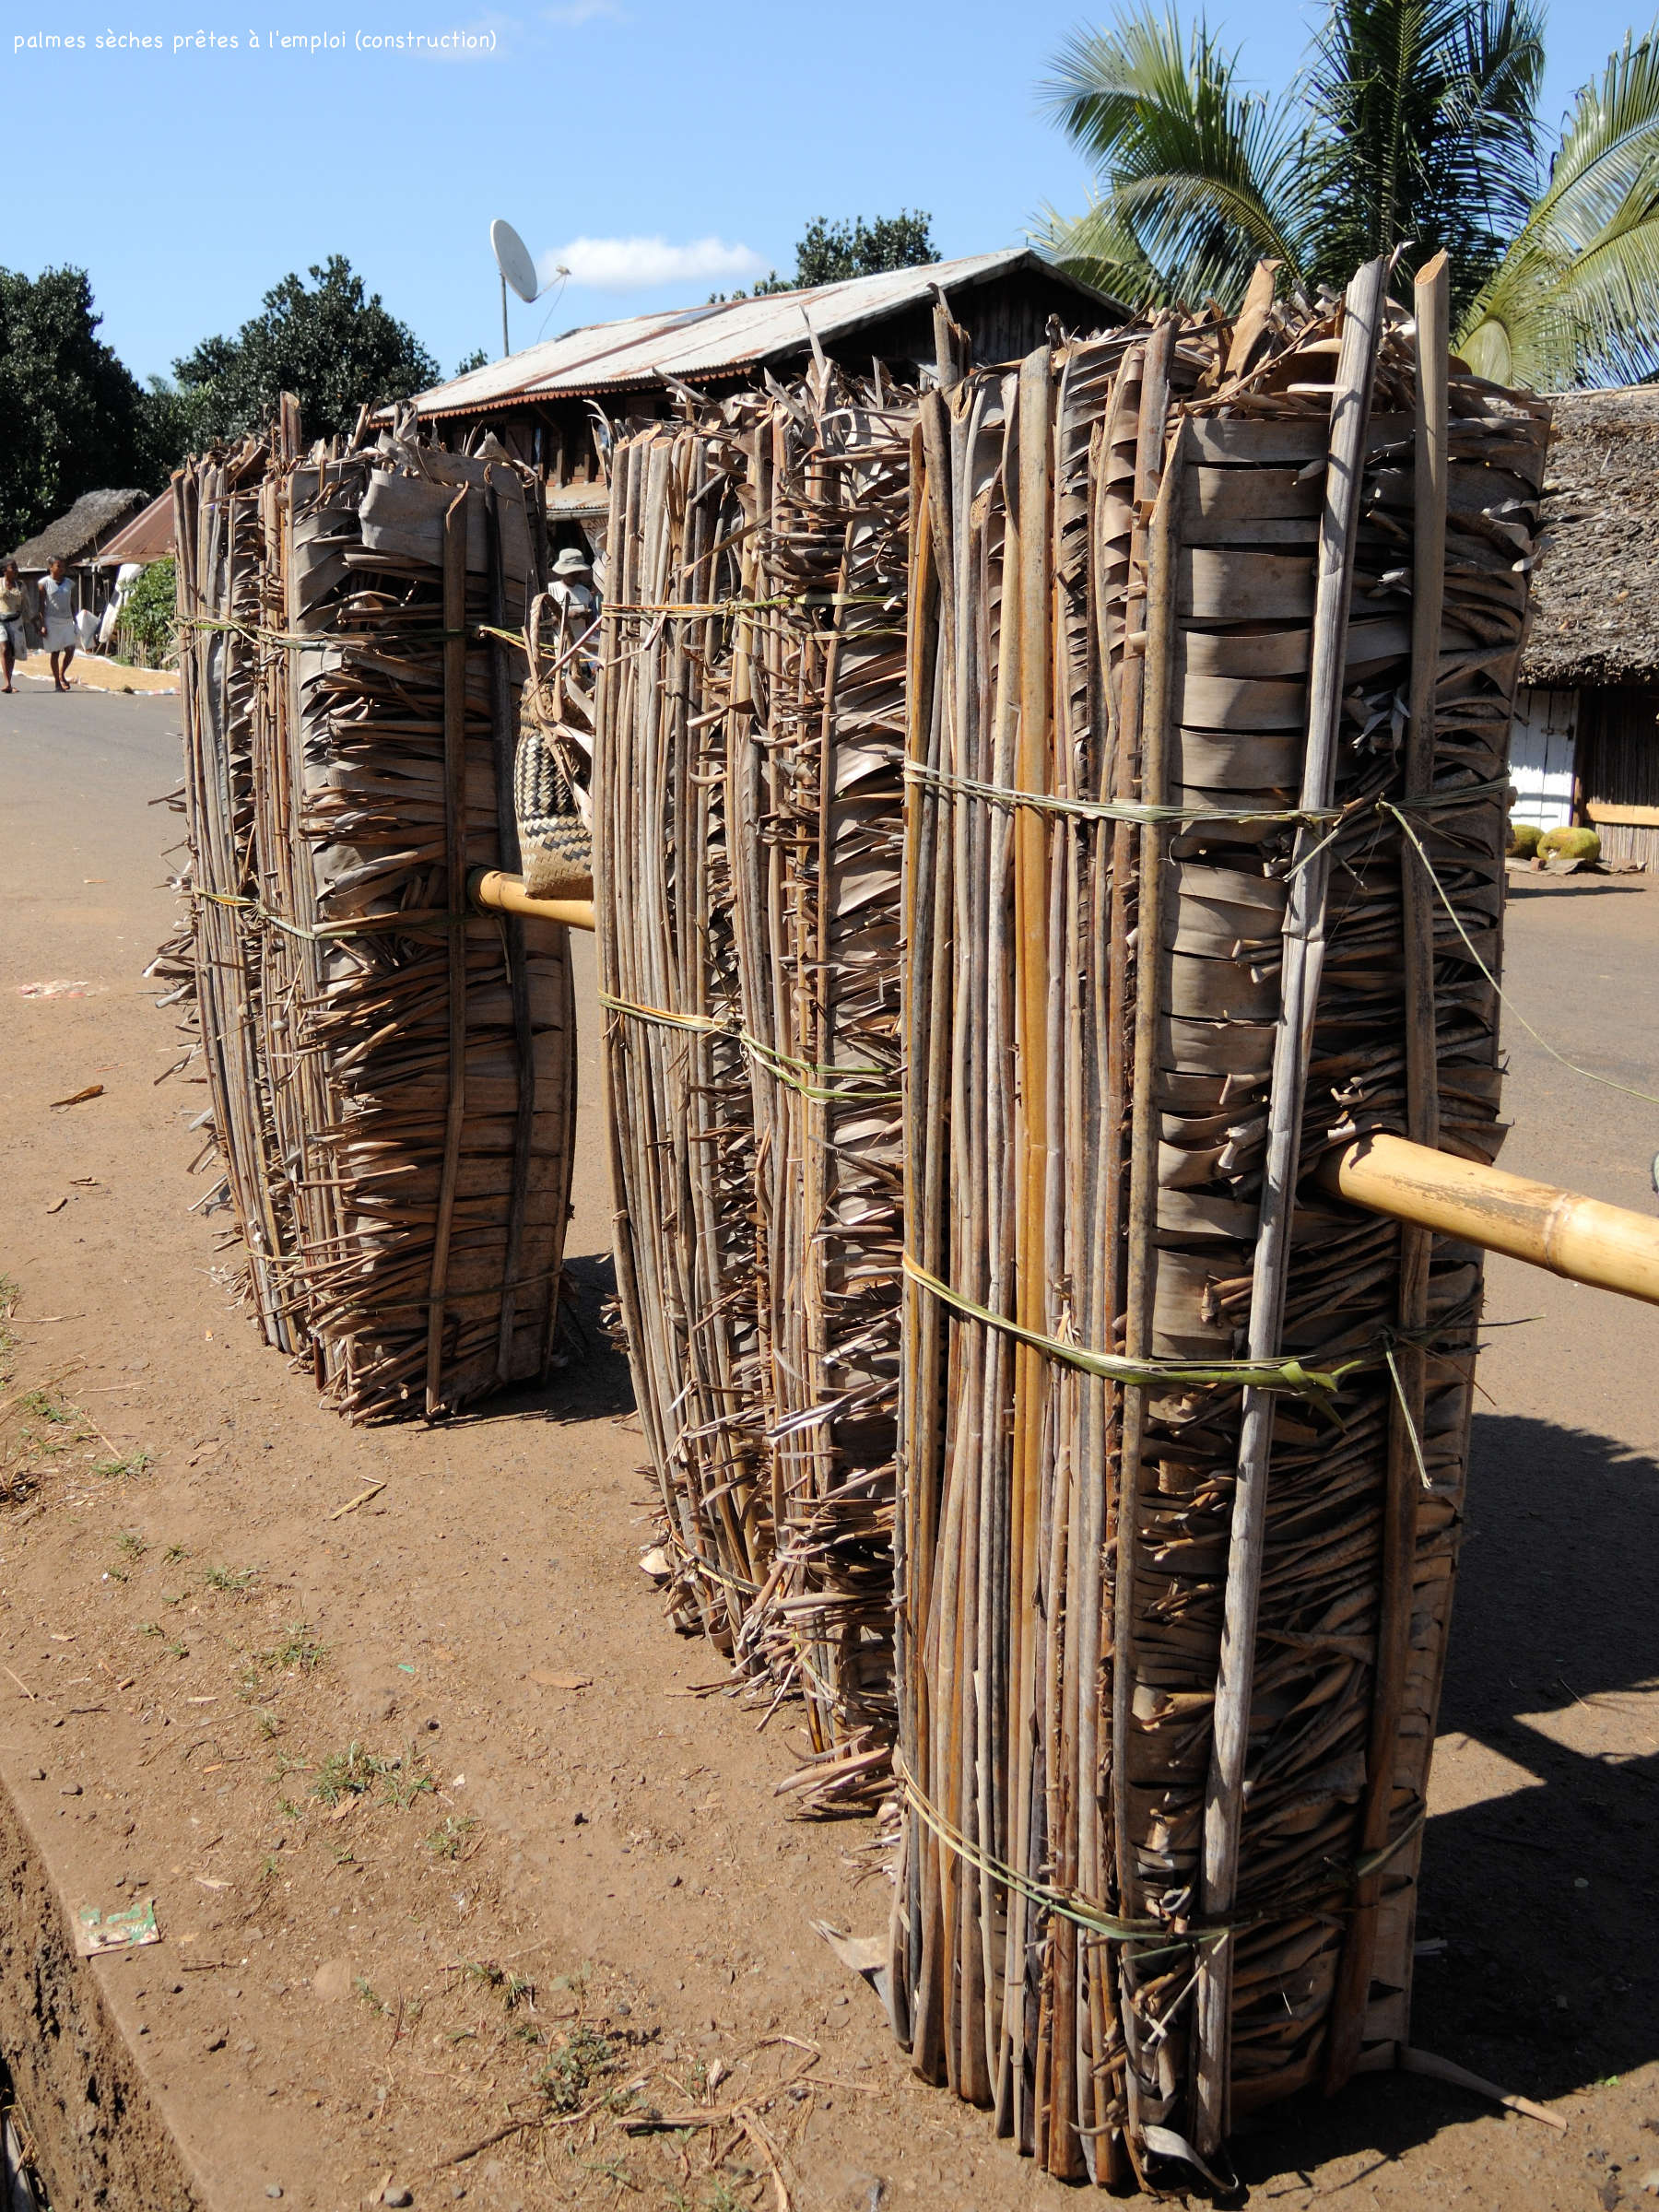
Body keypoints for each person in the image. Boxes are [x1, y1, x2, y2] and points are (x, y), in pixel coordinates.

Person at [40, 556, 77, 691]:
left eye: (63, 566)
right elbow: (41, 606)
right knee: (55, 652)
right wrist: (43, 624)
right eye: (58, 566)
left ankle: (62, 673)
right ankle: (57, 682)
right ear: (51, 567)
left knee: (71, 649)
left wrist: (75, 620)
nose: (61, 569)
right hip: (52, 621)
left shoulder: (69, 583)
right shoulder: (44, 583)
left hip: (67, 620)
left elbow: (71, 603)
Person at [0, 559, 29, 693]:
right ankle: (6, 682)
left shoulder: (21, 585)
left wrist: (35, 623)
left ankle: (9, 683)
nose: (16, 569)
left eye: (17, 567)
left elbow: (26, 604)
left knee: (12, 652)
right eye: (13, 567)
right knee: (5, 648)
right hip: (1, 621)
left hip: (16, 621)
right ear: (5, 570)